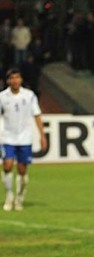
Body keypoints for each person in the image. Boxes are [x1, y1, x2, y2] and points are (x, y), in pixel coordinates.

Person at [0, 68, 47, 211]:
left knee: (22, 169)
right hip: (7, 136)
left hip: (25, 137)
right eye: (12, 78)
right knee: (7, 165)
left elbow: (37, 114)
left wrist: (42, 135)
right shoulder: (2, 96)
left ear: (21, 80)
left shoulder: (29, 95)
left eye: (17, 77)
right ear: (8, 81)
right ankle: (9, 196)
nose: (14, 80)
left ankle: (20, 197)